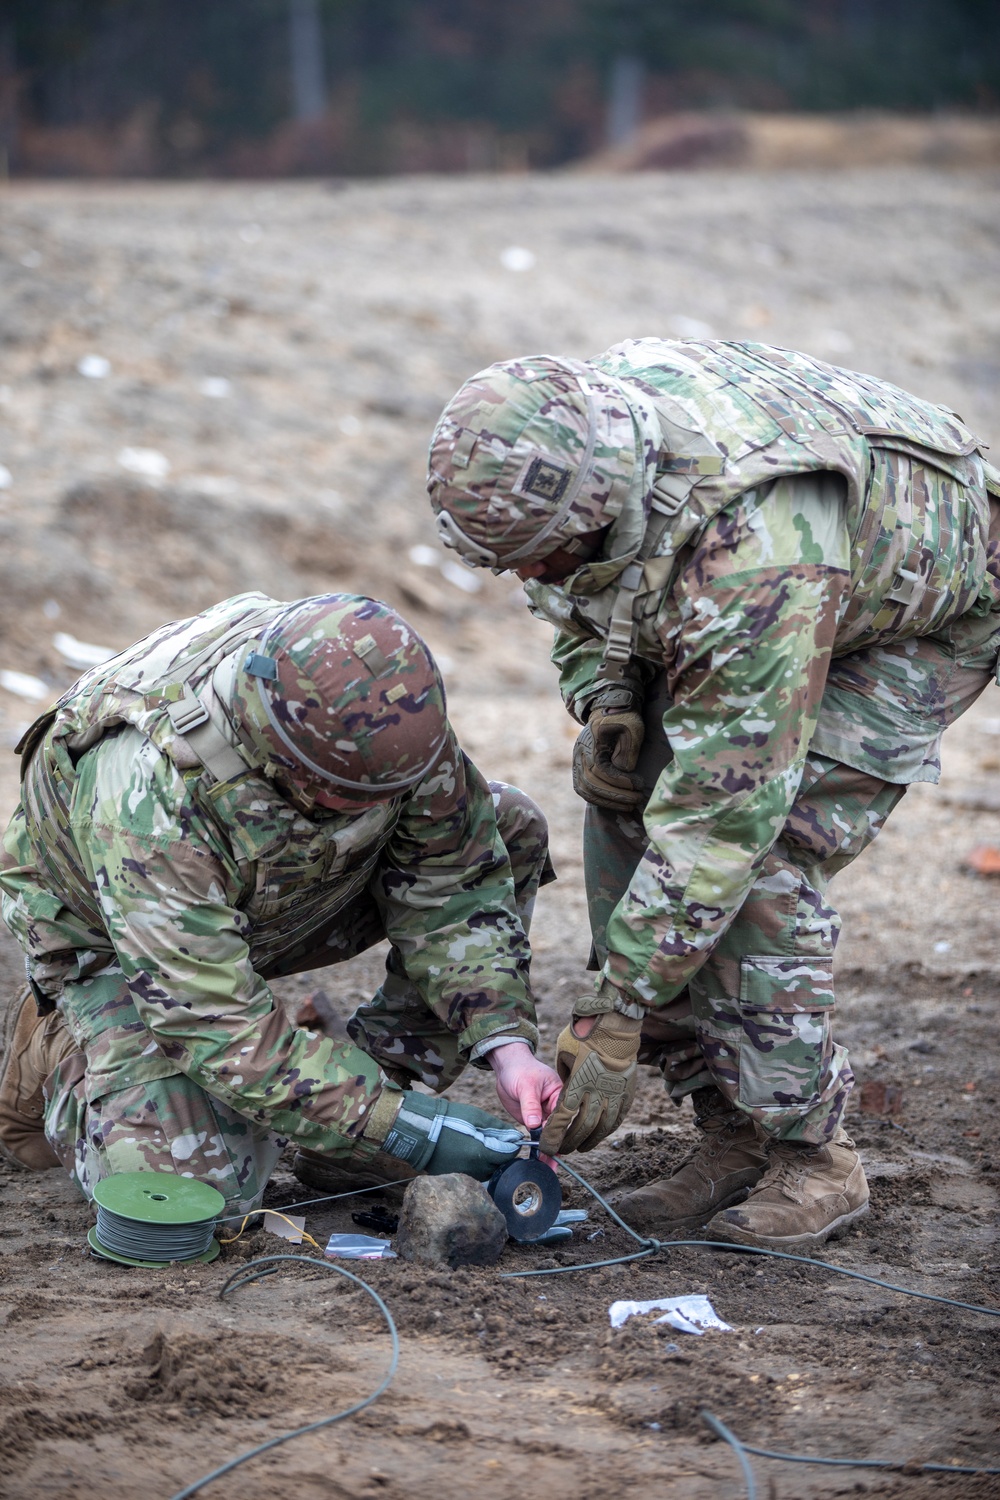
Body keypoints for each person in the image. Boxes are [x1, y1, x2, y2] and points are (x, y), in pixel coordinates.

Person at [427, 337, 1000, 1249]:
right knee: (623, 798)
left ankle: (815, 1153)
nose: (532, 575)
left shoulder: (759, 548)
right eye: (518, 563)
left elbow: (725, 820)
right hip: (750, 590)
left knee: (763, 863)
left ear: (599, 498)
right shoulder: (570, 460)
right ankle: (729, 1135)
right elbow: (581, 597)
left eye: (546, 553)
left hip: (914, 616)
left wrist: (618, 1009)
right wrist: (608, 695)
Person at [0, 591, 562, 1212]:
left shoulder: (384, 722)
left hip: (265, 897)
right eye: (358, 795)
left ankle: (364, 1113)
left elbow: (454, 882)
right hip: (118, 935)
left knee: (506, 827)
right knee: (200, 1187)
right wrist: (409, 1131)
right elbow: (216, 1026)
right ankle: (61, 1042)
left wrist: (504, 1045)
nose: (385, 806)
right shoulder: (145, 796)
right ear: (292, 763)